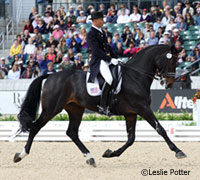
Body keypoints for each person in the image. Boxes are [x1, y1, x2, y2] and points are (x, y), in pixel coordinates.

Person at [87, 11, 118, 115]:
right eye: (101, 19)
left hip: (105, 59)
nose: (103, 21)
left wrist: (116, 58)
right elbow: (96, 51)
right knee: (109, 79)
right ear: (95, 21)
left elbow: (107, 47)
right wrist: (109, 59)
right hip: (99, 61)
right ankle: (102, 106)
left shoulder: (101, 32)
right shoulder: (91, 34)